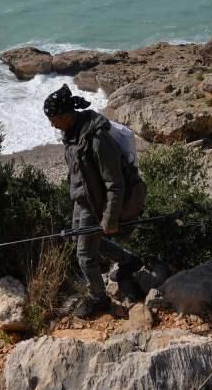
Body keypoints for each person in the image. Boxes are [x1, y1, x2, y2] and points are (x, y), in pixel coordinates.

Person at [44, 84, 142, 318]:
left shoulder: (97, 139)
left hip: (96, 204)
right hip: (82, 201)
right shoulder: (71, 133)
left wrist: (109, 218)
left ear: (67, 115)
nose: (51, 124)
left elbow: (114, 184)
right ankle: (128, 260)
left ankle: (99, 299)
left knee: (85, 255)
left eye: (54, 118)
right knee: (82, 239)